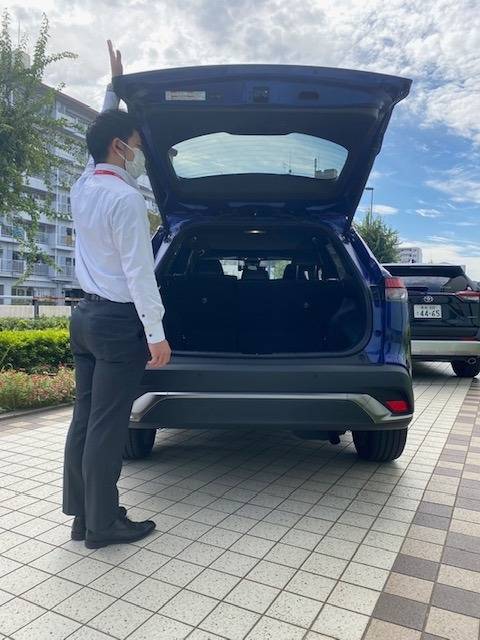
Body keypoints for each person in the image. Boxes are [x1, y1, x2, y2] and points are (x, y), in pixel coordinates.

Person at [62, 41, 171, 549]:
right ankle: (103, 526)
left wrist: (115, 88)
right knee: (107, 427)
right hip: (116, 325)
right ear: (118, 148)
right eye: (136, 143)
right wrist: (156, 334)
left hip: (84, 319)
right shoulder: (125, 199)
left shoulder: (83, 185)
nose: (140, 152)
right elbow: (138, 273)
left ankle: (84, 516)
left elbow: (98, 134)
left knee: (85, 420)